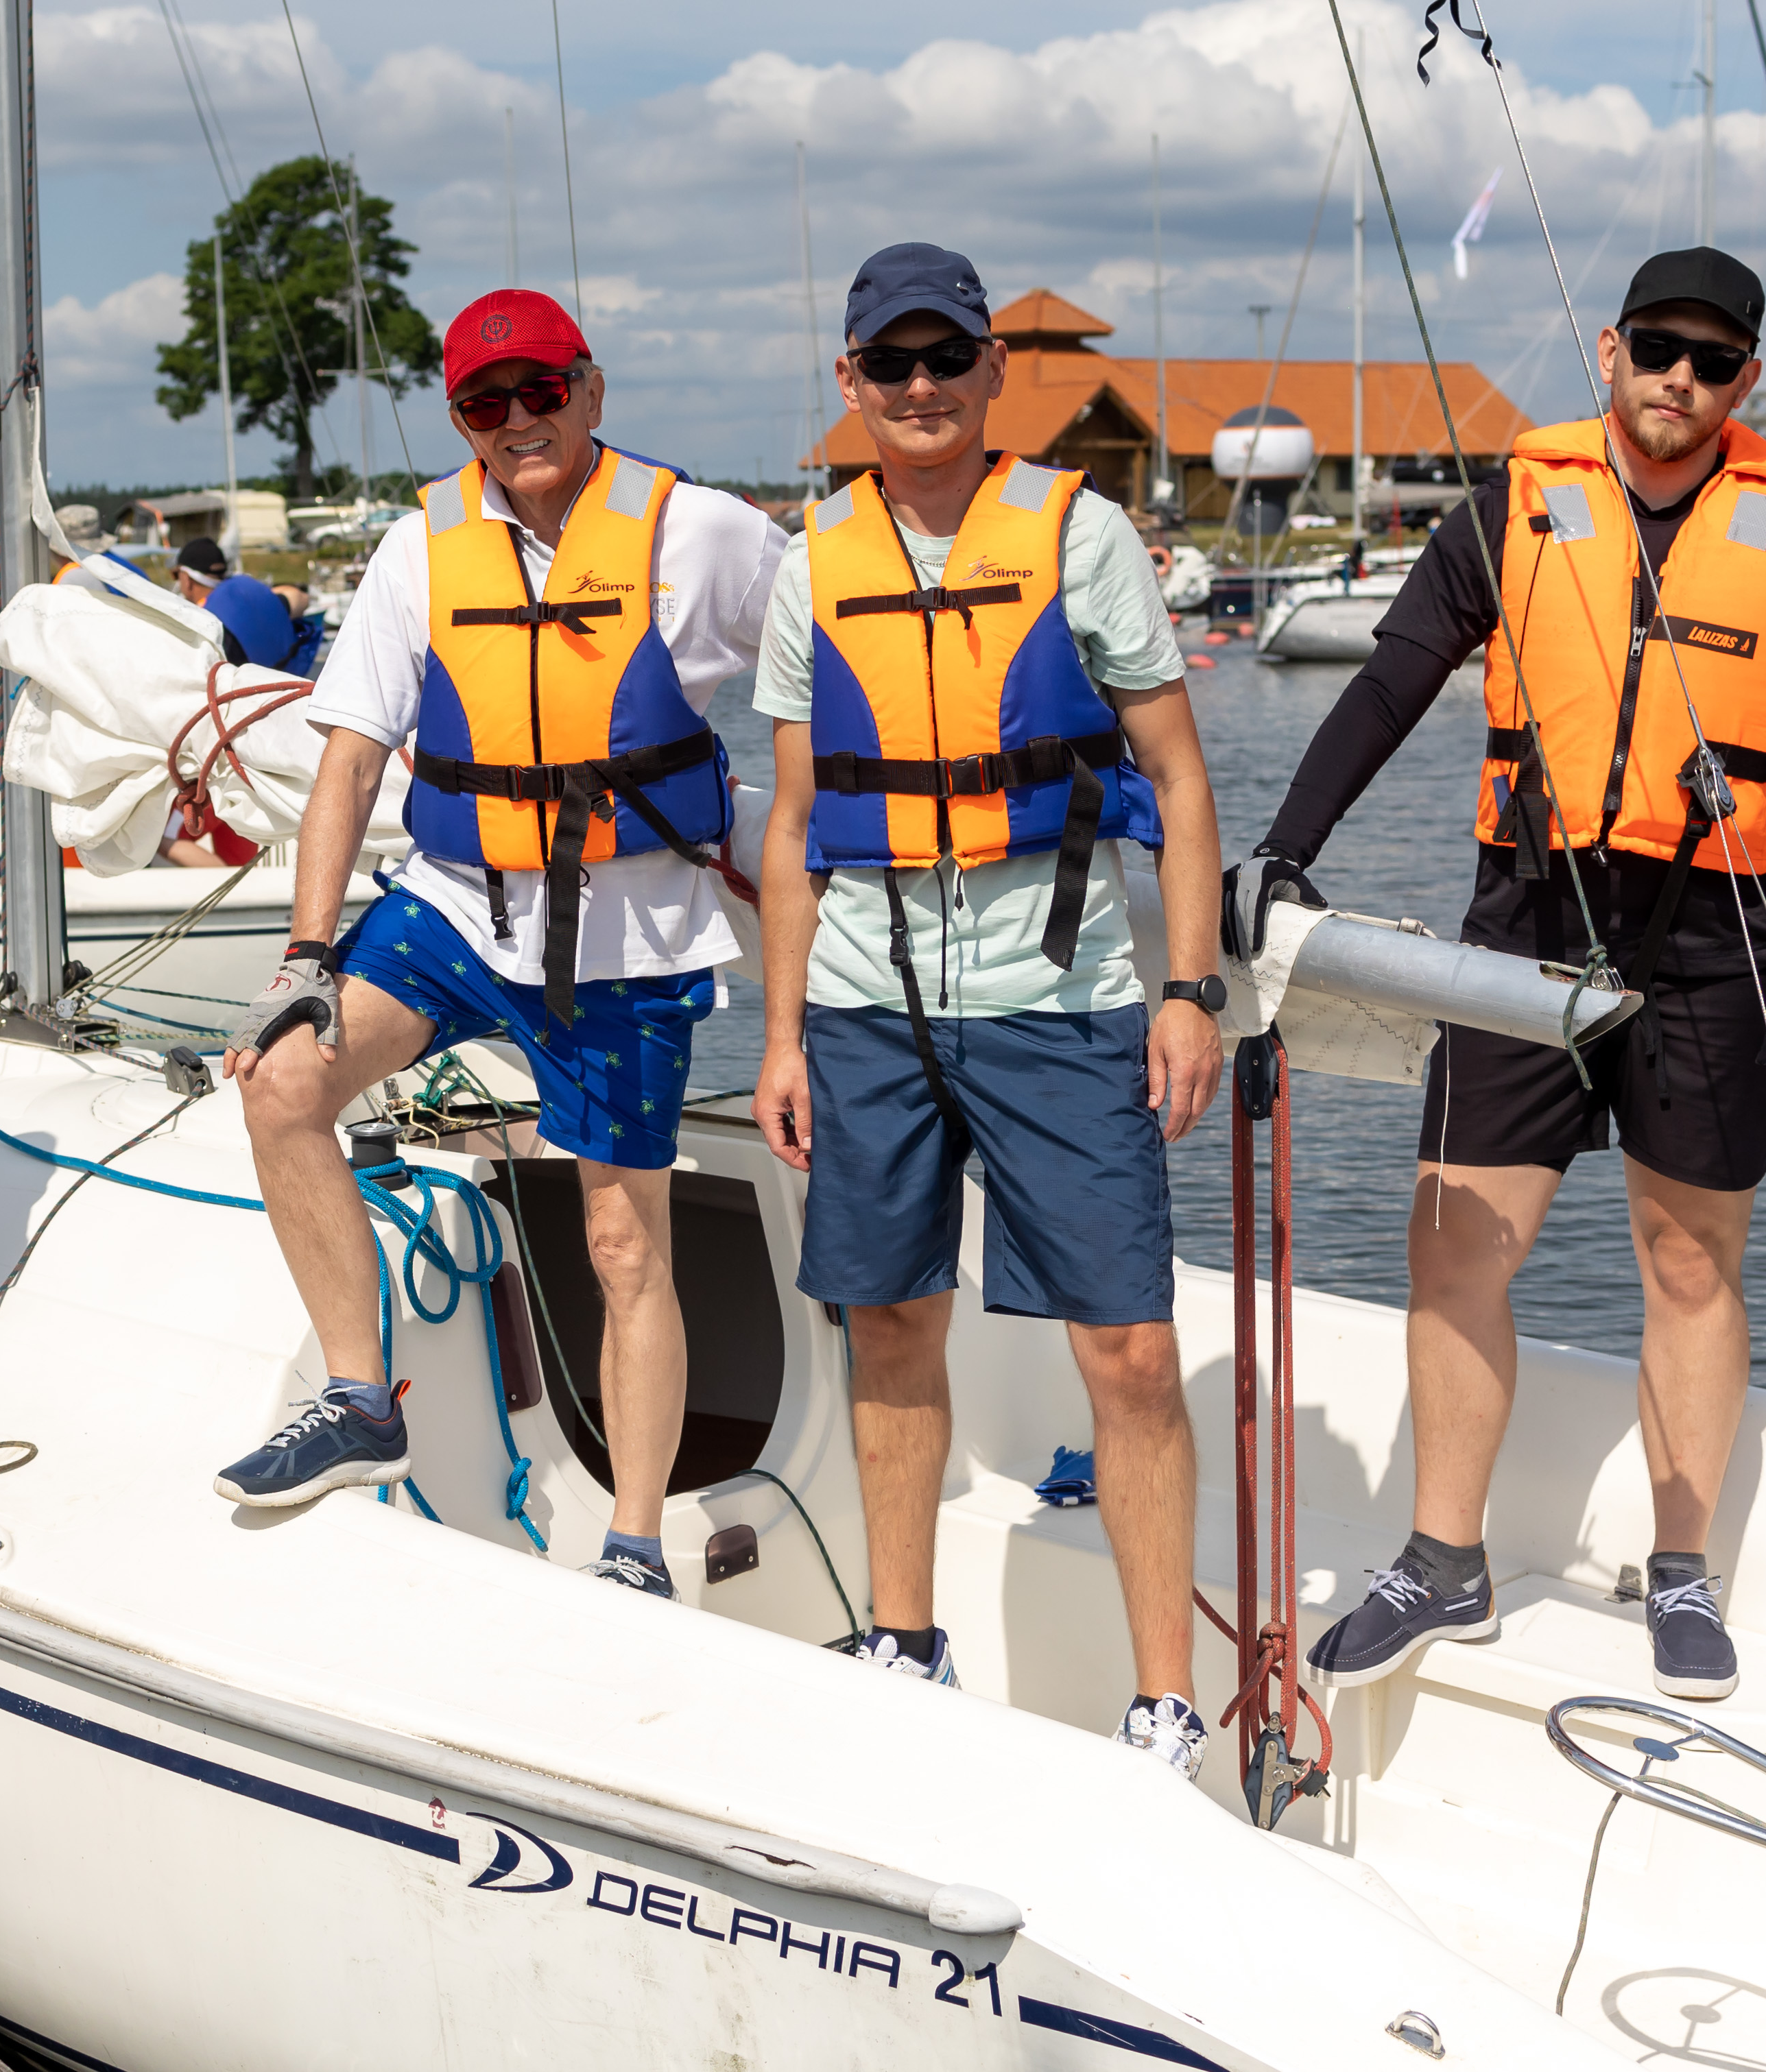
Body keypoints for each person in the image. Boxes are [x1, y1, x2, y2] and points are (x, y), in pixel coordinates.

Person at [1257, 249, 1766, 1706]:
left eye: (1714, 360)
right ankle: (1443, 1557)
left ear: (1748, 381)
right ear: (1608, 348)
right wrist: (1283, 853)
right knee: (1457, 1238)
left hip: (1717, 937)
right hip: (1529, 912)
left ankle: (1679, 1569)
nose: (1680, 378)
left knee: (1687, 1261)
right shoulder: (1514, 509)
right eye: (1658, 347)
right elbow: (1393, 678)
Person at [216, 289, 785, 1602]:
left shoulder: (699, 533)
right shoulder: (424, 549)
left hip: (626, 926)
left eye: (541, 392)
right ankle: (362, 1393)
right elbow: (352, 758)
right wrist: (307, 957)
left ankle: (637, 1544)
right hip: (459, 902)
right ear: (462, 417)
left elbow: (829, 666)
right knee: (282, 1079)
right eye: (486, 402)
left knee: (622, 1240)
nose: (517, 421)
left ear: (591, 390)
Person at [749, 245, 1228, 1779]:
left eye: (946, 358)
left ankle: (1164, 1702)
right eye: (890, 363)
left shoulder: (1083, 538)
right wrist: (777, 1036)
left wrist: (1190, 986)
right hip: (864, 1005)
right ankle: (905, 1638)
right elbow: (792, 819)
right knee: (888, 1316)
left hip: (1064, 994)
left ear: (991, 373)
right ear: (849, 384)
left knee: (1131, 1350)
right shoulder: (809, 561)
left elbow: (1183, 780)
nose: (920, 388)